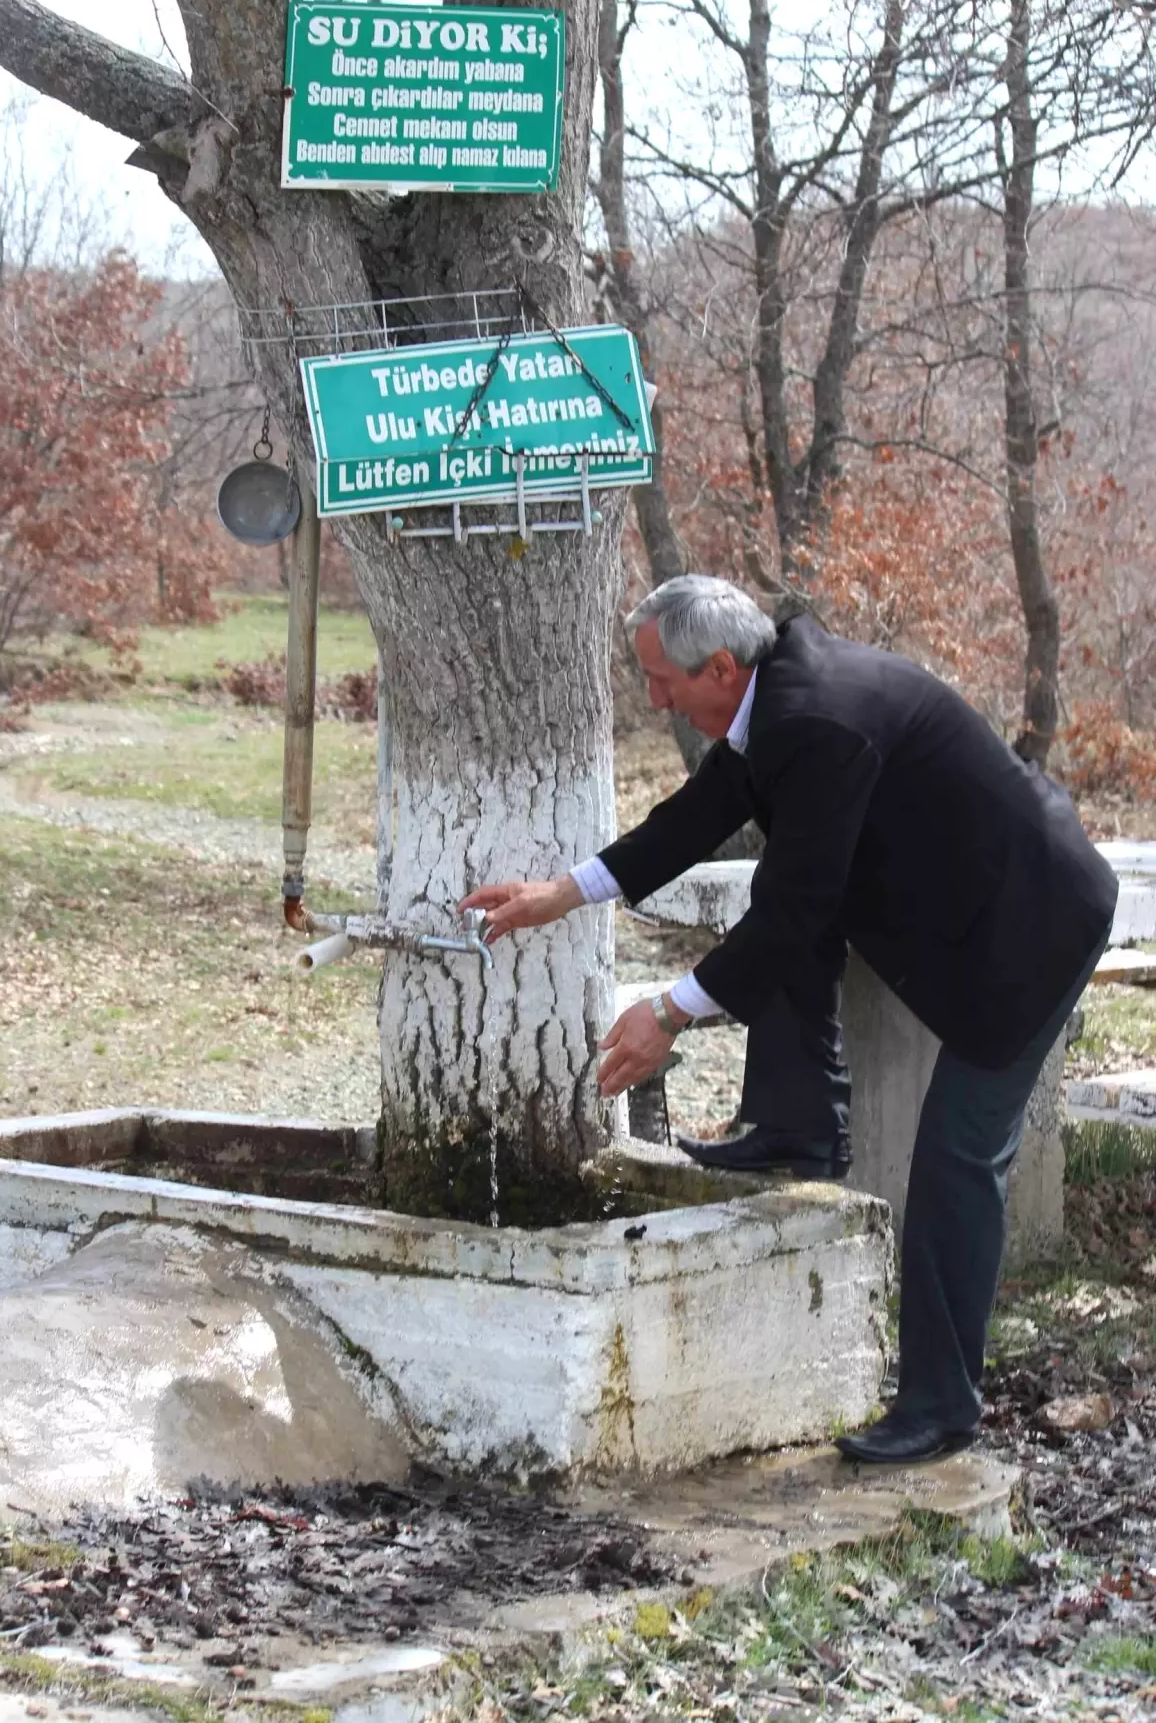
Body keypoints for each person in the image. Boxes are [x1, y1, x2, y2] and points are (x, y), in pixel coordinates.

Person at [460, 575, 1117, 1465]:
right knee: (785, 921)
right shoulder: (773, 699)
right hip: (969, 899)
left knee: (957, 1166)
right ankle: (798, 1128)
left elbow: (795, 915)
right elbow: (695, 818)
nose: (652, 697)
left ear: (721, 667)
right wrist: (563, 894)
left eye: (662, 680)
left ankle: (940, 1405)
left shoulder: (814, 722)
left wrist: (668, 1014)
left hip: (1033, 924)